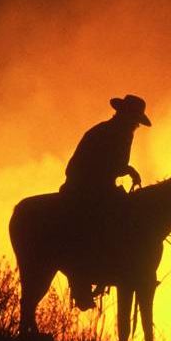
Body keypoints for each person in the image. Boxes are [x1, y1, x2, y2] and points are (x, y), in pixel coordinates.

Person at [60, 94, 151, 310]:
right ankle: (86, 278)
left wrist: (124, 170)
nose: (135, 124)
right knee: (103, 223)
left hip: (99, 186)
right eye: (134, 119)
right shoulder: (109, 133)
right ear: (125, 116)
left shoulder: (115, 132)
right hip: (85, 188)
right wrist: (127, 169)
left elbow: (114, 165)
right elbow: (101, 165)